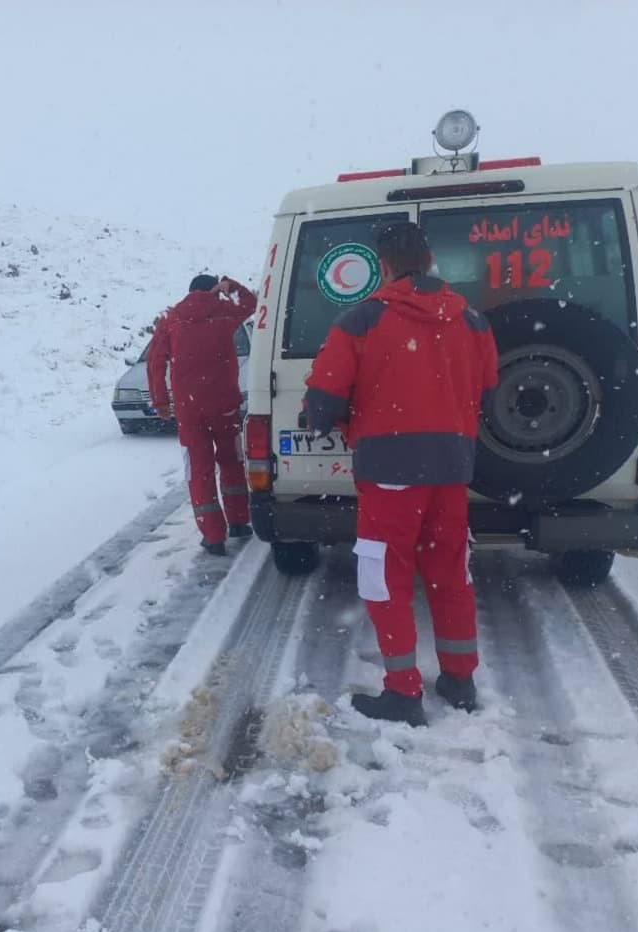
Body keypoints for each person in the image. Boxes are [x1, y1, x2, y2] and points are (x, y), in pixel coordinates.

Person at [305, 223, 499, 725]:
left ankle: (403, 692)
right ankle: (460, 680)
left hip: (389, 474)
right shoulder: (473, 321)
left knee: (384, 578)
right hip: (452, 472)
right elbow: (490, 395)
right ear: (430, 258)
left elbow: (323, 404)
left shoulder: (361, 320)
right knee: (450, 573)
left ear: (384, 265)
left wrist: (340, 415)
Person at [148, 273, 257, 555]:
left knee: (199, 471)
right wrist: (231, 286)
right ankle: (239, 522)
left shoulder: (171, 319)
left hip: (190, 411)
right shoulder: (224, 312)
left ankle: (213, 536)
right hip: (225, 406)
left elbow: (156, 363)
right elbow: (252, 302)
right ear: (213, 291)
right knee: (232, 462)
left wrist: (161, 401)